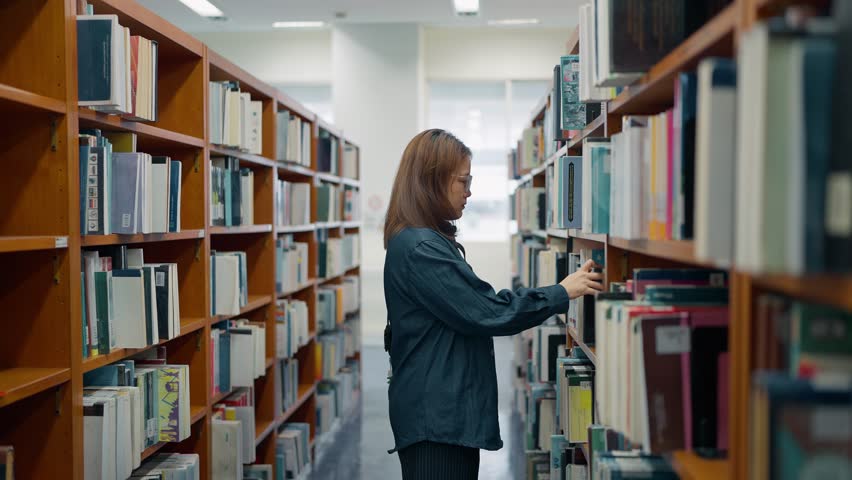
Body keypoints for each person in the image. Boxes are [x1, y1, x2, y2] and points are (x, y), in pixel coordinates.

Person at [383, 129, 603, 479]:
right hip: (436, 420)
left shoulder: (418, 241)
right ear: (432, 181)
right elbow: (488, 312)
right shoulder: (421, 248)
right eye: (463, 180)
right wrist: (561, 292)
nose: (469, 192)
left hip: (438, 412)